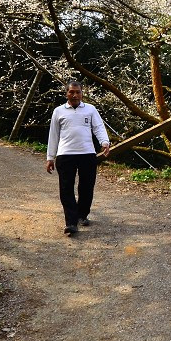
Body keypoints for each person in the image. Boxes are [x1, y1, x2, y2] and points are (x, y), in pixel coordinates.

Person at [46, 80, 111, 236]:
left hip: (87, 154)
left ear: (82, 94)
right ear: (66, 93)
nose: (74, 95)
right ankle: (71, 222)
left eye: (78, 92)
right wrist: (50, 157)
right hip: (65, 155)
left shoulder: (90, 109)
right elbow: (53, 135)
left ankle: (82, 214)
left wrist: (104, 142)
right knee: (66, 188)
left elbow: (98, 127)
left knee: (87, 187)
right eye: (71, 92)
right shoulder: (59, 111)